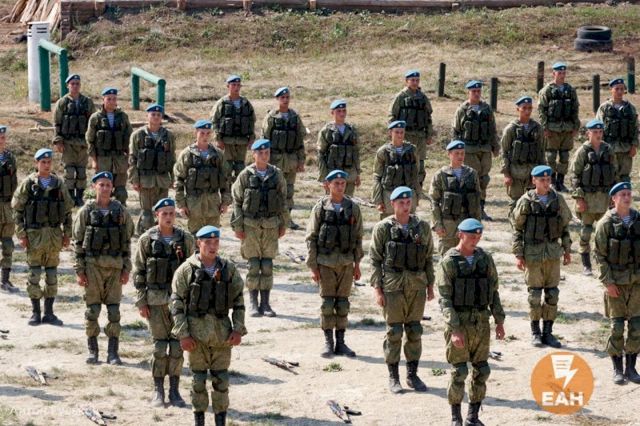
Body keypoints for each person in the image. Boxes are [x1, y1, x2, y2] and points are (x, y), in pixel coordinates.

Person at [171, 225, 247, 426]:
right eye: (208, 243)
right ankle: (199, 421)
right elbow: (176, 304)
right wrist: (183, 334)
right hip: (196, 338)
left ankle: (220, 421)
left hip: (222, 337)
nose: (213, 247)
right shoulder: (186, 270)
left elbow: (239, 300)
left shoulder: (228, 269)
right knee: (198, 382)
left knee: (221, 381)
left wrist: (238, 329)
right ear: (199, 243)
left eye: (216, 242)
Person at [437, 218, 505, 426]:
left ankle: (472, 417)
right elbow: (445, 300)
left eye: (478, 236)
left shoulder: (485, 259)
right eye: (471, 236)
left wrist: (499, 321)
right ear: (460, 235)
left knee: (482, 370)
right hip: (460, 322)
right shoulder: (449, 262)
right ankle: (455, 418)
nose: (475, 240)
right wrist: (455, 329)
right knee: (459, 372)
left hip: (481, 323)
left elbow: (493, 292)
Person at [369, 186, 435, 394]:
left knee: (414, 330)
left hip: (416, 286)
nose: (406, 207)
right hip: (392, 287)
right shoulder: (383, 228)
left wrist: (430, 285)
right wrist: (377, 289)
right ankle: (394, 376)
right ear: (393, 204)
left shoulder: (422, 227)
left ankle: (412, 375)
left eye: (408, 202)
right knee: (394, 332)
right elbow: (375, 260)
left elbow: (428, 258)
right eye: (401, 203)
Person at [134, 197, 194, 407]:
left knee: (177, 347)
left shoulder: (185, 239)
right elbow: (139, 271)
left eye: (172, 213)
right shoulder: (146, 240)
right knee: (160, 347)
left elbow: (193, 270)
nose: (169, 217)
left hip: (180, 303)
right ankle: (158, 390)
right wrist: (141, 301)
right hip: (156, 301)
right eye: (164, 214)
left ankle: (174, 391)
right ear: (157, 215)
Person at [73, 171, 134, 365]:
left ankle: (113, 352)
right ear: (94, 187)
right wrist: (80, 271)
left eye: (108, 185)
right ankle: (93, 351)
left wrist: (126, 269)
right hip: (93, 267)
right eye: (101, 184)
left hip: (115, 267)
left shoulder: (121, 211)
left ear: (113, 188)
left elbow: (127, 242)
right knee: (92, 311)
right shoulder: (86, 211)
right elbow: (78, 243)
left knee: (114, 312)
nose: (105, 188)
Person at [12, 148, 74, 326]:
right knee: (34, 274)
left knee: (52, 275)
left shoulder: (58, 183)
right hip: (34, 236)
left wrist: (67, 234)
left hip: (54, 235)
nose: (46, 165)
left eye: (49, 162)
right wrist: (21, 234)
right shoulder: (28, 184)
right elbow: (17, 211)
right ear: (36, 163)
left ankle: (49, 313)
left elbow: (67, 211)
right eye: (43, 162)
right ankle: (35, 313)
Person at [511, 165, 572, 348]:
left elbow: (564, 227)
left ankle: (548, 332)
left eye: (548, 179)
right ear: (534, 181)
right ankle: (535, 332)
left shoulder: (558, 200)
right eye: (542, 180)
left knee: (552, 294)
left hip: (552, 254)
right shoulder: (525, 201)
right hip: (533, 255)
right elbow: (517, 229)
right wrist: (518, 254)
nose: (546, 183)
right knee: (535, 295)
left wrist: (567, 250)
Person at [306, 170, 364, 358]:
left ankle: (341, 342)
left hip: (346, 263)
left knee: (343, 304)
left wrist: (357, 265)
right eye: (336, 183)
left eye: (343, 183)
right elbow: (311, 238)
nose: (340, 187)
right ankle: (328, 342)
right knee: (327, 303)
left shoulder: (353, 208)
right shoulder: (320, 208)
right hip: (325, 263)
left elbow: (358, 238)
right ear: (328, 185)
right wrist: (313, 266)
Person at [231, 139, 288, 317]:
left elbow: (283, 200)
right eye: (261, 153)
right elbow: (237, 201)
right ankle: (253, 302)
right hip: (250, 226)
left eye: (267, 153)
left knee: (267, 265)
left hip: (271, 226)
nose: (264, 156)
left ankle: (266, 303)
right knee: (254, 265)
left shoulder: (276, 174)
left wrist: (284, 224)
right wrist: (238, 226)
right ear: (253, 154)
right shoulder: (245, 175)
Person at [594, 182, 640, 385]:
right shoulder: (605, 223)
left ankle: (631, 367)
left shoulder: (638, 219)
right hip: (616, 284)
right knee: (617, 327)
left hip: (637, 284)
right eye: (623, 194)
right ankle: (617, 368)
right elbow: (600, 256)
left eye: (629, 194)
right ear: (614, 199)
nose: (627, 198)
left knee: (637, 326)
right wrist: (608, 282)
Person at [569, 118, 618, 276]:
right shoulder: (583, 151)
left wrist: (614, 198)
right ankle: (586, 264)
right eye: (595, 132)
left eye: (600, 132)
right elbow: (574, 176)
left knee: (606, 233)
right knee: (585, 233)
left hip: (604, 199)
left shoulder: (608, 150)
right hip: (588, 200)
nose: (598, 135)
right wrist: (579, 199)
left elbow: (614, 174)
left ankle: (605, 264)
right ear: (588, 133)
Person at [452, 80, 499, 220]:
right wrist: (456, 151)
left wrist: (495, 146)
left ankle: (481, 208)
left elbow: (492, 129)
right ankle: (468, 208)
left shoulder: (486, 109)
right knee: (472, 178)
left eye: (478, 91)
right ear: (469, 92)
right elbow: (456, 131)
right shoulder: (462, 110)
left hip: (485, 149)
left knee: (484, 179)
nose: (477, 94)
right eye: (474, 91)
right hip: (469, 149)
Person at [261, 86, 306, 230]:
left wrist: (301, 160)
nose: (285, 100)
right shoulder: (271, 118)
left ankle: (287, 219)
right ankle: (273, 218)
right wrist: (264, 160)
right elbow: (264, 139)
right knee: (274, 190)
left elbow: (300, 141)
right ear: (277, 99)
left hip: (291, 159)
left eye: (287, 97)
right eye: (282, 98)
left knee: (289, 190)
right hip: (275, 160)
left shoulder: (295, 117)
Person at [174, 120, 231, 233]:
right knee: (195, 237)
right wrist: (181, 205)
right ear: (196, 133)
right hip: (194, 205)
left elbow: (226, 179)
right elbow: (179, 180)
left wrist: (225, 202)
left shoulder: (218, 154)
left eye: (208, 133)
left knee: (212, 236)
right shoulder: (187, 154)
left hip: (213, 204)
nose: (205, 136)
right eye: (202, 133)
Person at [128, 103, 176, 235]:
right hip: (145, 180)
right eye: (153, 114)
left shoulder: (168, 136)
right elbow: (132, 159)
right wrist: (134, 180)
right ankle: (143, 235)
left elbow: (172, 159)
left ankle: (160, 235)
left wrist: (173, 178)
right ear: (147, 116)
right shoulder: (138, 135)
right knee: (147, 213)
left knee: (162, 211)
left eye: (158, 115)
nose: (156, 117)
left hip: (162, 179)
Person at [429, 140, 482, 256]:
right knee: (447, 256)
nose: (460, 156)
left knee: (467, 255)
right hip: (448, 224)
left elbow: (477, 201)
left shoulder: (472, 174)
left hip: (467, 222)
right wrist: (437, 224)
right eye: (457, 153)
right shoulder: (440, 175)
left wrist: (477, 223)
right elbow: (434, 201)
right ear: (449, 154)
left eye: (462, 153)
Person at [52, 74, 96, 206]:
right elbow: (57, 123)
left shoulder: (87, 102)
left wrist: (92, 142)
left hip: (83, 143)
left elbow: (93, 123)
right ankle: (70, 197)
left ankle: (79, 197)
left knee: (82, 172)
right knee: (69, 172)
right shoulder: (62, 102)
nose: (75, 86)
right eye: (72, 84)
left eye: (77, 83)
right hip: (68, 143)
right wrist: (58, 141)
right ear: (68, 86)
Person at [538, 62, 580, 192]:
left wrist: (575, 126)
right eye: (559, 73)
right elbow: (542, 110)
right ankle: (552, 181)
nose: (562, 75)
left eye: (563, 73)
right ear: (554, 74)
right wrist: (545, 128)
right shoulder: (547, 90)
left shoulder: (570, 90)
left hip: (567, 128)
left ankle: (561, 181)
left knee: (564, 156)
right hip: (552, 129)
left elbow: (575, 109)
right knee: (550, 156)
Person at [388, 70, 434, 189]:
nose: (415, 82)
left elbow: (428, 117)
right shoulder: (401, 97)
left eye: (417, 80)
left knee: (420, 162)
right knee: (405, 160)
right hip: (405, 135)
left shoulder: (423, 97)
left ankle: (418, 186)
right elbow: (392, 115)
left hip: (420, 136)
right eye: (412, 80)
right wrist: (393, 134)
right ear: (406, 81)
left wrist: (429, 135)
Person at [86, 87, 133, 205]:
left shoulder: (123, 116)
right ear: (103, 99)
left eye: (114, 99)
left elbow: (129, 138)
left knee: (121, 189)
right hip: (103, 159)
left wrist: (128, 158)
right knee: (103, 187)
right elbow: (90, 140)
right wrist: (94, 160)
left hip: (120, 158)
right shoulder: (95, 118)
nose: (112, 102)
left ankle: (120, 209)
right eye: (109, 99)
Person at [500, 96, 546, 213]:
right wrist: (506, 174)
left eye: (529, 108)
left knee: (534, 202)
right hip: (516, 172)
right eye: (524, 108)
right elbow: (504, 152)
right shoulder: (511, 129)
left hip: (533, 172)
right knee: (516, 202)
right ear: (518, 109)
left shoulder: (537, 128)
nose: (527, 111)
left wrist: (543, 173)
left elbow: (541, 152)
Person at [210, 75, 256, 182]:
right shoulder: (222, 103)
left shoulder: (246, 103)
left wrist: (251, 139)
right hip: (226, 142)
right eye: (233, 85)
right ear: (228, 86)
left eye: (238, 85)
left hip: (242, 142)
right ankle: (226, 191)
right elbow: (214, 121)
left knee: (241, 169)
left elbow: (251, 121)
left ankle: (238, 190)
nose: (236, 87)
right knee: (226, 169)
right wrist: (218, 139)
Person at [372, 120, 420, 219]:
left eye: (402, 132)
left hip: (408, 197)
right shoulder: (383, 152)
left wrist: (417, 196)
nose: (400, 135)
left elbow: (416, 175)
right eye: (397, 132)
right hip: (389, 197)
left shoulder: (412, 150)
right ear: (390, 133)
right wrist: (378, 201)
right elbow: (377, 177)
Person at [596, 78, 638, 183]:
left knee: (625, 176)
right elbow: (598, 129)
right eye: (617, 89)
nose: (619, 91)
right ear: (611, 90)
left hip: (626, 149)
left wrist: (634, 146)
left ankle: (624, 192)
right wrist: (599, 147)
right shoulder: (604, 108)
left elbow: (635, 128)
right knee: (609, 175)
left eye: (622, 89)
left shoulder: (630, 108)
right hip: (609, 148)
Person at [317, 100, 361, 196]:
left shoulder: (351, 130)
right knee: (333, 201)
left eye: (344, 110)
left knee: (348, 201)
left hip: (349, 175)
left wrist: (357, 174)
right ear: (332, 113)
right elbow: (321, 155)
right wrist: (324, 177)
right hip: (333, 174)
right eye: (339, 111)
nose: (342, 113)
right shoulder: (326, 131)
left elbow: (355, 153)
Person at [0, 125, 18, 293]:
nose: (1, 140)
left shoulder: (10, 158)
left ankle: (4, 280)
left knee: (8, 244)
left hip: (7, 206)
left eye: (3, 138)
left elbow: (14, 183)